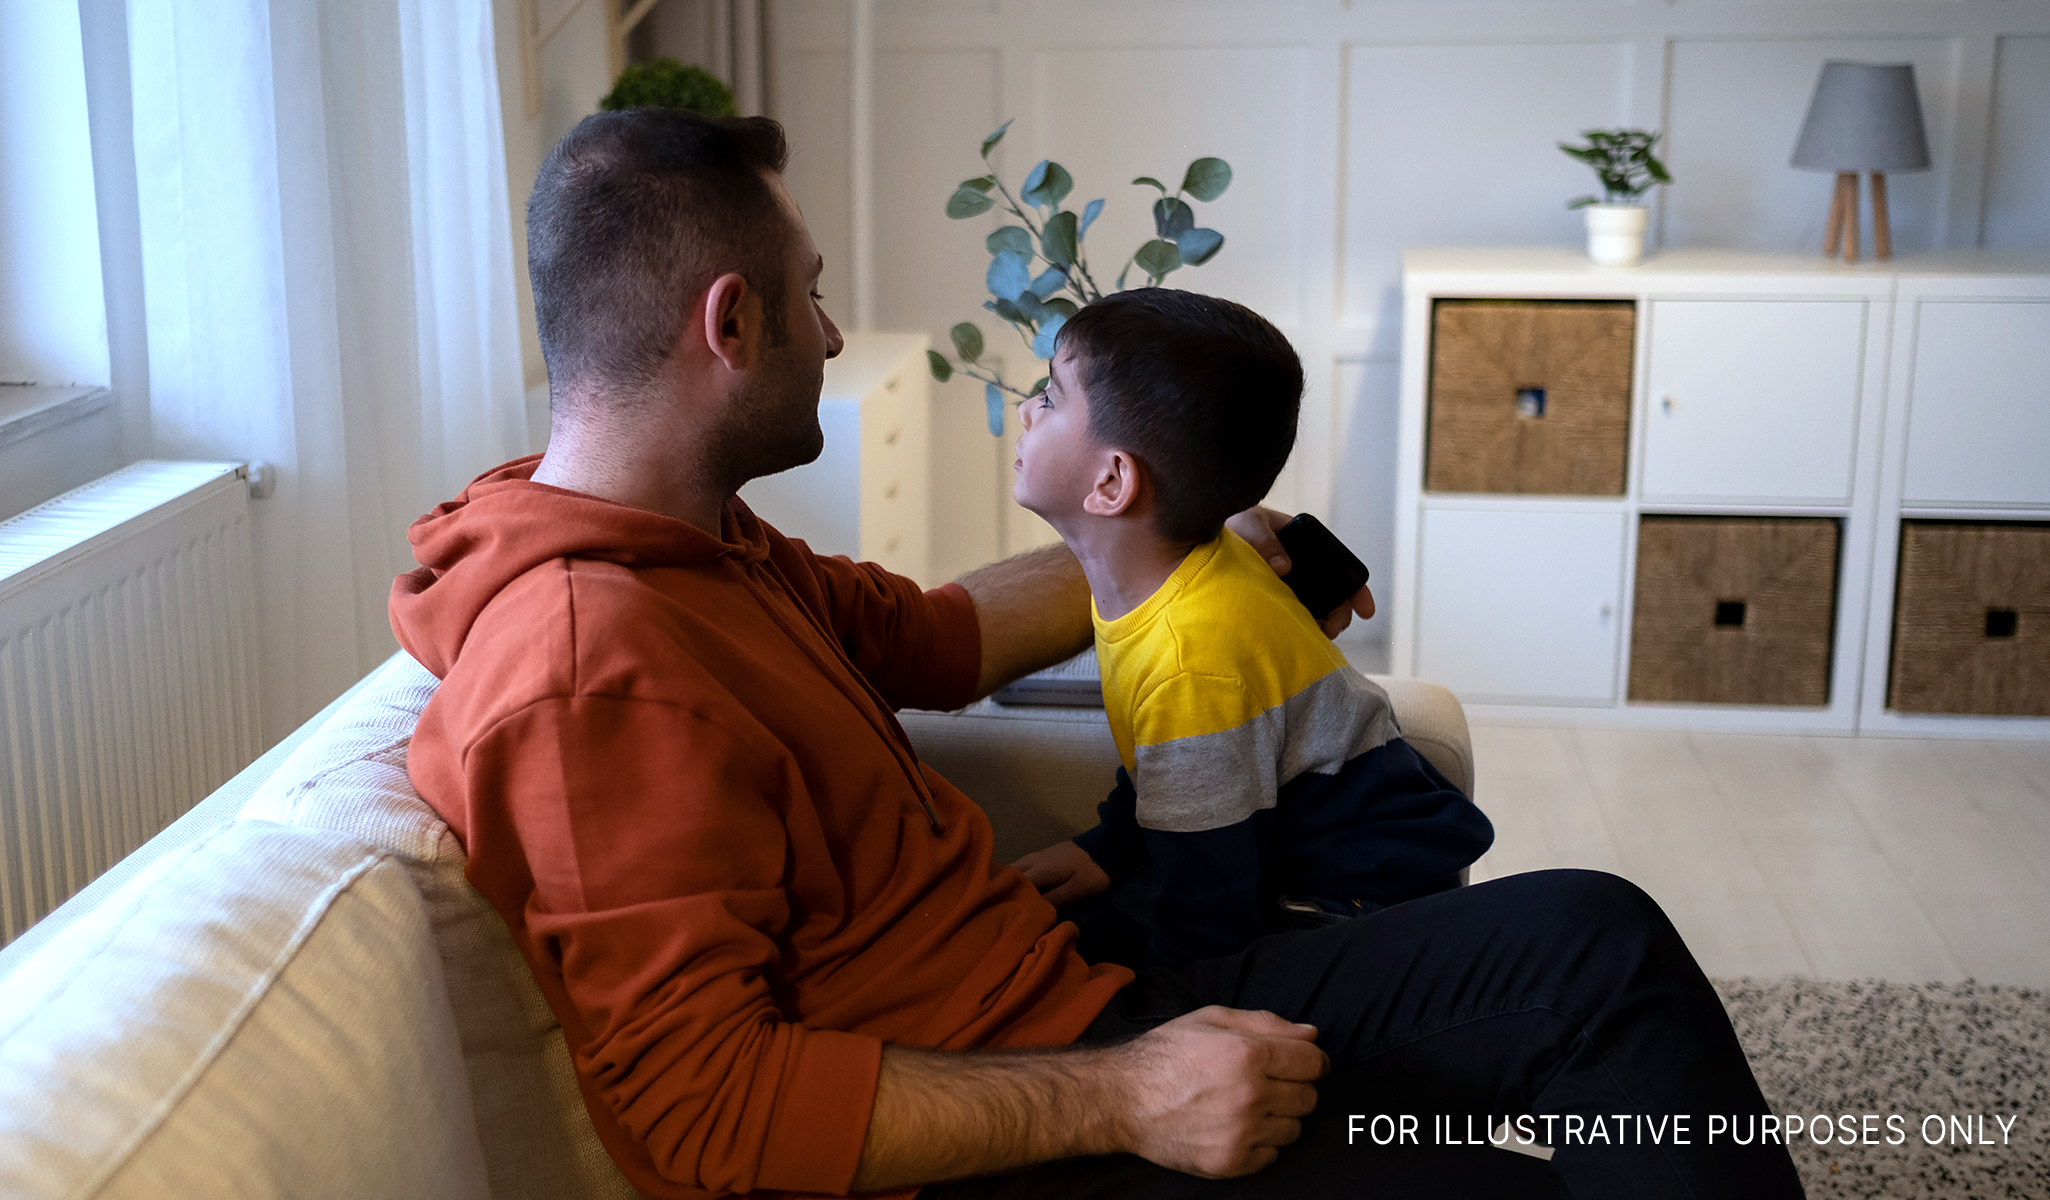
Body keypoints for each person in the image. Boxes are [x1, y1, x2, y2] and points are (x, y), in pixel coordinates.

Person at [391, 107, 1805, 1200]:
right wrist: (1130, 1097)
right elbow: (703, 1107)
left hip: (1071, 1003)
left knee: (1596, 942)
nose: (828, 334)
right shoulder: (591, 665)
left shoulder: (707, 545)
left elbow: (942, 639)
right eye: (810, 297)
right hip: (1020, 1135)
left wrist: (1182, 542)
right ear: (731, 321)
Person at [1004, 289, 1494, 972]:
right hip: (1288, 855)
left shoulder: (1190, 655)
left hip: (1346, 905)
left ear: (1112, 483)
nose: (1026, 408)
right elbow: (1161, 758)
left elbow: (1207, 918)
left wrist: (1160, 1036)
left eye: (1050, 397)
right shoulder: (1171, 571)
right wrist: (1106, 847)